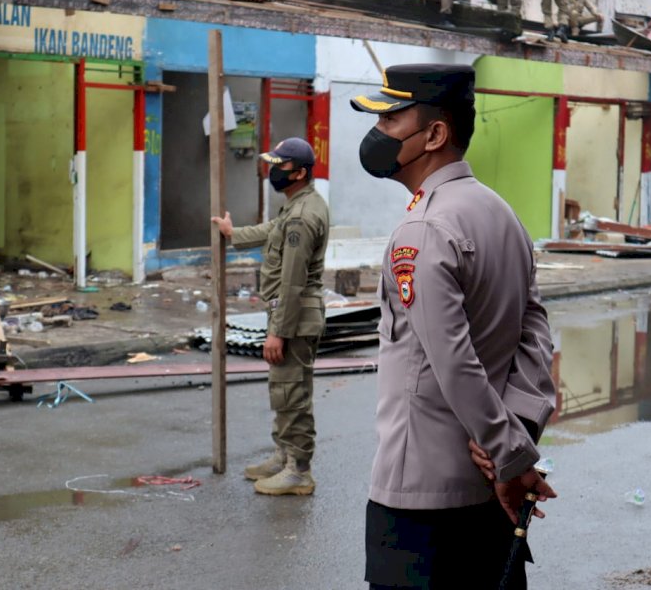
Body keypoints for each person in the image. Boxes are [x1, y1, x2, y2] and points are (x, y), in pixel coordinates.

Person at [351, 63, 558, 589]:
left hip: (422, 500)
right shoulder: (501, 214)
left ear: (435, 134)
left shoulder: (422, 228)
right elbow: (534, 332)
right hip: (488, 491)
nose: (378, 134)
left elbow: (453, 359)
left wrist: (509, 455)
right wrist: (516, 429)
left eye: (392, 121)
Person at [211, 137, 329, 496]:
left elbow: (292, 282)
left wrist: (277, 332)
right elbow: (270, 232)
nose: (274, 171)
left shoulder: (303, 216)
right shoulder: (296, 207)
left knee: (292, 392)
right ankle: (284, 456)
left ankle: (299, 470)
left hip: (294, 316)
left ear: (301, 172)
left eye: (281, 166)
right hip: (291, 315)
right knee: (283, 389)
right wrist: (235, 234)